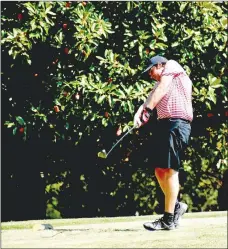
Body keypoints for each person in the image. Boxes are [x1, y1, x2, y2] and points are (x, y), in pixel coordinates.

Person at [134, 55, 193, 231]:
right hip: (165, 125)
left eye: (151, 71)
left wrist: (148, 110)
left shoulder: (172, 66)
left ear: (160, 65)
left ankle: (168, 220)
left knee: (169, 169)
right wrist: (140, 113)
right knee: (159, 169)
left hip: (177, 124)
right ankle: (175, 207)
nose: (150, 75)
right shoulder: (160, 82)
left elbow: (162, 88)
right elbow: (153, 94)